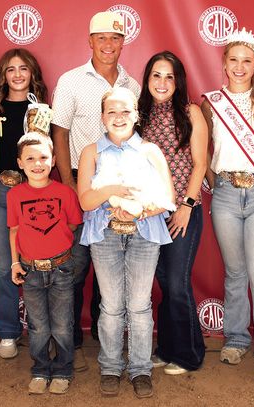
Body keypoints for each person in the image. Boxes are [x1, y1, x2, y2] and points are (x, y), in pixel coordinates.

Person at [51, 10, 140, 371]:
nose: (108, 45)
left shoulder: (133, 86)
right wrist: (70, 186)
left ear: (123, 43)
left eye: (115, 38)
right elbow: (59, 133)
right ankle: (68, 340)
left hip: (117, 186)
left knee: (112, 267)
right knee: (74, 267)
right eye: (101, 38)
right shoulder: (71, 81)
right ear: (89, 41)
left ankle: (108, 342)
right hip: (77, 179)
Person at [201, 28, 254, 384]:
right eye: (233, 60)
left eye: (246, 61)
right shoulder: (212, 102)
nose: (239, 67)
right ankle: (237, 338)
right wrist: (213, 177)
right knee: (235, 273)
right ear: (223, 63)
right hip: (225, 193)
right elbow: (203, 149)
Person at [78, 87, 174, 398]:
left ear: (136, 114)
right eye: (112, 112)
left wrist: (139, 210)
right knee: (111, 305)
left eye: (125, 112)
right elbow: (86, 200)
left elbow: (166, 198)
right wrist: (113, 190)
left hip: (144, 234)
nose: (119, 118)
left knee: (139, 305)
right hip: (105, 235)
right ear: (102, 117)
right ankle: (109, 366)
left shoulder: (150, 151)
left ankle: (140, 368)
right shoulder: (91, 152)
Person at [0, 48, 48, 358]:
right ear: (2, 76)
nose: (17, 74)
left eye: (23, 69)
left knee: (34, 263)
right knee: (4, 265)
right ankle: (8, 332)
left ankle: (42, 330)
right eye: (11, 69)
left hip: (32, 194)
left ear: (32, 74)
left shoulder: (42, 110)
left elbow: (48, 154)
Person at [137, 51, 208, 375]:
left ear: (178, 80)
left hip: (184, 212)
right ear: (147, 79)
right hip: (150, 215)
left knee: (177, 284)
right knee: (164, 284)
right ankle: (167, 349)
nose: (162, 82)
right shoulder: (138, 116)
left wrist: (186, 207)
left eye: (169, 76)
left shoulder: (191, 112)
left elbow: (200, 164)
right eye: (156, 75)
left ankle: (189, 354)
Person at [8, 132, 82, 395]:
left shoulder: (65, 193)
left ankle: (62, 369)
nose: (37, 163)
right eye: (30, 158)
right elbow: (14, 231)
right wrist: (15, 263)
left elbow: (73, 225)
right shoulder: (15, 195)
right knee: (38, 326)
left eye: (43, 157)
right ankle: (40, 368)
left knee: (62, 325)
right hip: (30, 270)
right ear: (20, 163)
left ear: (53, 161)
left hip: (61, 268)